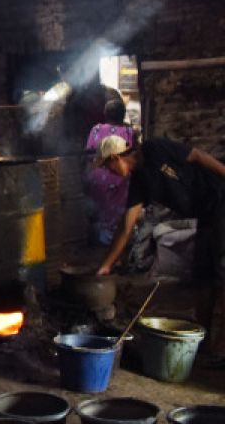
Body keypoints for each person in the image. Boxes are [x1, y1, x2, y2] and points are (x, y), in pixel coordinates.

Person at [93, 135, 225, 364]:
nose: (108, 171)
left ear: (116, 157)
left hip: (221, 201)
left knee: (222, 277)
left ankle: (220, 349)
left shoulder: (155, 148)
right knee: (202, 277)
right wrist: (105, 266)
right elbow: (126, 226)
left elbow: (198, 156)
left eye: (107, 165)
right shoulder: (138, 182)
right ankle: (202, 342)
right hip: (207, 217)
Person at [84, 99, 136, 246]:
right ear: (123, 115)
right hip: (118, 180)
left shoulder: (96, 129)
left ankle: (99, 236)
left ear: (105, 114)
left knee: (96, 207)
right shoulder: (128, 132)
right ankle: (114, 236)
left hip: (96, 178)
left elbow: (88, 155)